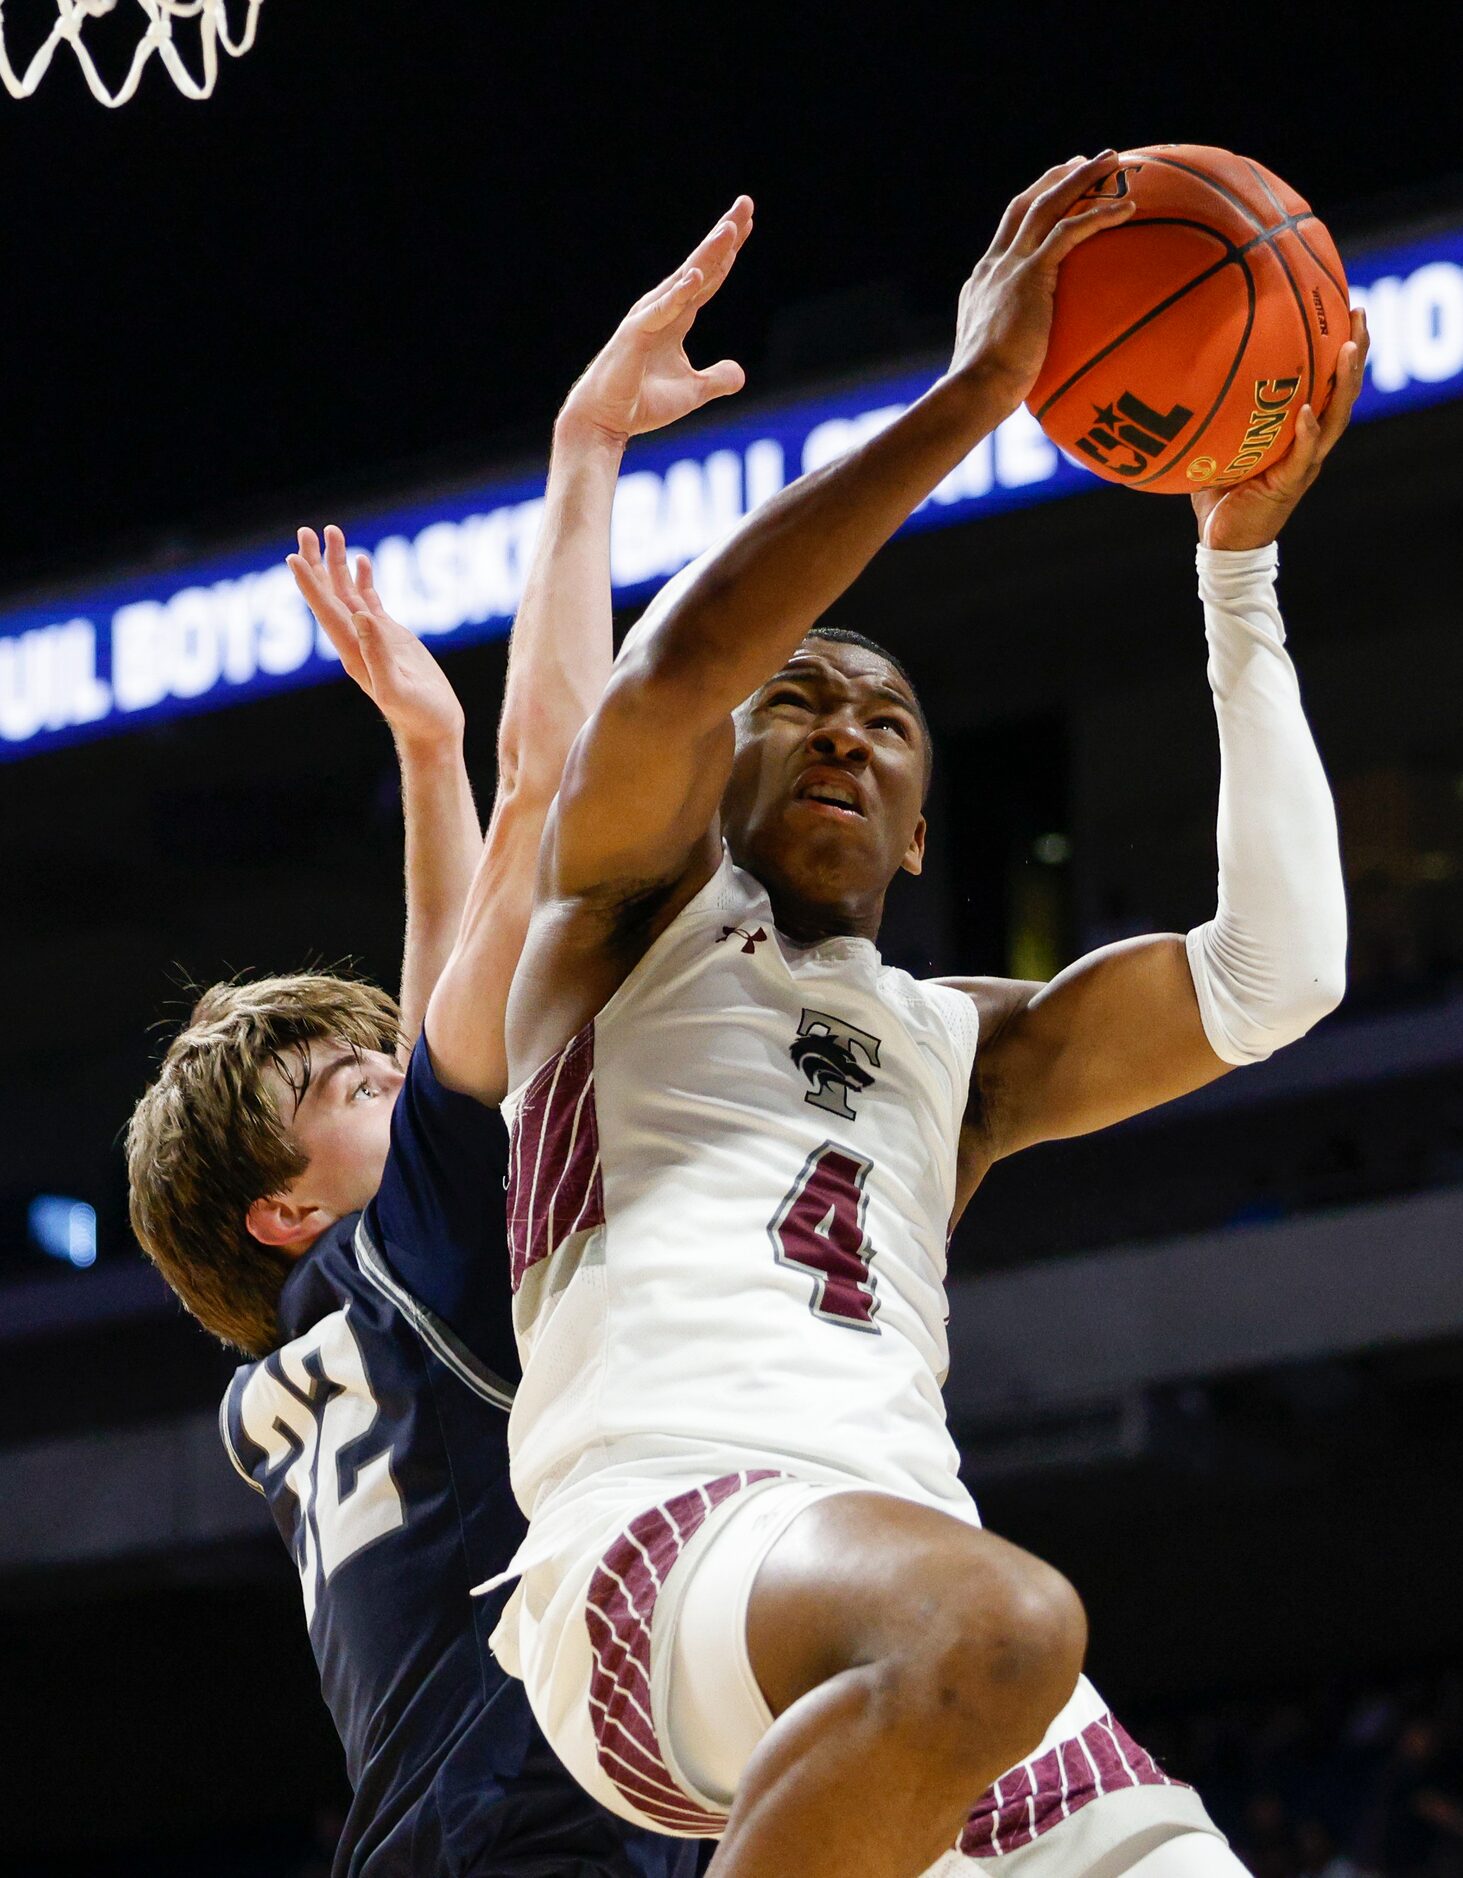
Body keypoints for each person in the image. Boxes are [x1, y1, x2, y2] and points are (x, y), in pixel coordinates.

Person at [489, 154, 1364, 1878]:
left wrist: (1239, 578)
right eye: (799, 698)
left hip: (898, 1593)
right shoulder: (617, 923)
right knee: (1001, 1620)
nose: (839, 728)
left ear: (916, 828)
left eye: (886, 724)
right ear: (723, 756)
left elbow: (1283, 976)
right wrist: (979, 394)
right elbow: (673, 674)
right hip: (656, 1549)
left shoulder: (964, 1048)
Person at [124, 200, 754, 1878]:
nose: (394, 1076)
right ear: (283, 1207)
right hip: (535, 1835)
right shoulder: (387, 1272)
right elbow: (554, 797)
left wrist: (425, 747)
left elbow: (437, 1032)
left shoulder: (310, 1353)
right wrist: (584, 445)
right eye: (351, 1088)